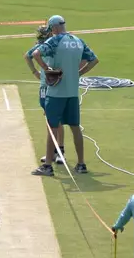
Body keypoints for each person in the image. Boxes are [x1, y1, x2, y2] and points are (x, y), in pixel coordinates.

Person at [31, 15, 99, 176]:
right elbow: (94, 60)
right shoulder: (77, 40)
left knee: (52, 128)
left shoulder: (54, 41)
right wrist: (78, 74)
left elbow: (36, 54)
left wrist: (46, 69)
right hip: (72, 92)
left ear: (54, 28)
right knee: (75, 127)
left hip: (56, 93)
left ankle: (47, 166)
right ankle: (81, 164)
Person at [24, 25, 65, 170]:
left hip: (54, 85)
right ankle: (53, 152)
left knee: (57, 119)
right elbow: (27, 56)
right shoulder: (42, 47)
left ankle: (60, 151)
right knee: (50, 119)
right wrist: (35, 72)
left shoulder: (56, 46)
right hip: (44, 87)